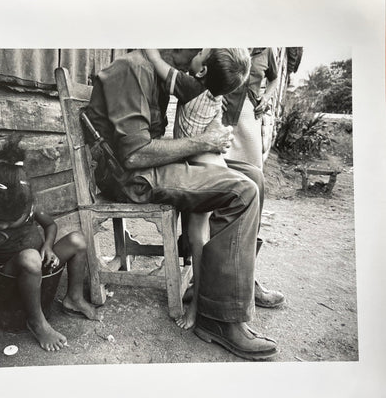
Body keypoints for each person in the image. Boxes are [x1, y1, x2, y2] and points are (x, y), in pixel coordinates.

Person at [85, 49, 279, 360]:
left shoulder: (164, 72)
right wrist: (206, 142)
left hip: (151, 166)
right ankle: (218, 318)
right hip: (133, 177)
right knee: (242, 192)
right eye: (201, 45)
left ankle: (230, 284)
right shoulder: (132, 68)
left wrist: (209, 139)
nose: (203, 49)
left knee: (253, 176)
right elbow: (134, 155)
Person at [0, 136, 102, 353]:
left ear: (26, 208)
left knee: (78, 240)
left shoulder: (30, 209)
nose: (0, 226)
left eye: (8, 221)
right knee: (30, 257)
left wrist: (49, 246)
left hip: (40, 265)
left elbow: (50, 225)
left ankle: (74, 298)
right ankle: (36, 322)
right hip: (11, 276)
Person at [143, 48, 251, 330]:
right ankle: (189, 285)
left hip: (203, 171)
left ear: (202, 71)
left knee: (197, 238)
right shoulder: (217, 94)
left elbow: (154, 60)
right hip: (213, 165)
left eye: (201, 53)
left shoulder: (190, 86)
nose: (197, 50)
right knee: (196, 236)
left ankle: (197, 305)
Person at [223, 47, 285, 308]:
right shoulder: (226, 42)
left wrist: (267, 98)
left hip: (249, 120)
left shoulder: (266, 50)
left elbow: (274, 78)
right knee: (216, 195)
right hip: (221, 118)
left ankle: (247, 279)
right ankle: (203, 276)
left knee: (255, 190)